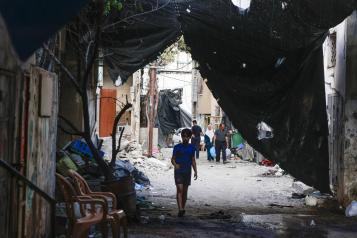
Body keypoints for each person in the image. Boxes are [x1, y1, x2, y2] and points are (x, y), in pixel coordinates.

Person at [171, 128, 198, 217]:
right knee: (180, 189)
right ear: (182, 137)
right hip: (178, 171)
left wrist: (195, 171)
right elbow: (173, 159)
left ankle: (183, 207)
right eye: (184, 137)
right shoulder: (177, 147)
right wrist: (175, 165)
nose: (185, 138)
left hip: (187, 171)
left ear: (190, 137)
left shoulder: (192, 148)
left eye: (187, 137)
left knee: (185, 191)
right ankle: (180, 209)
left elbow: (193, 160)